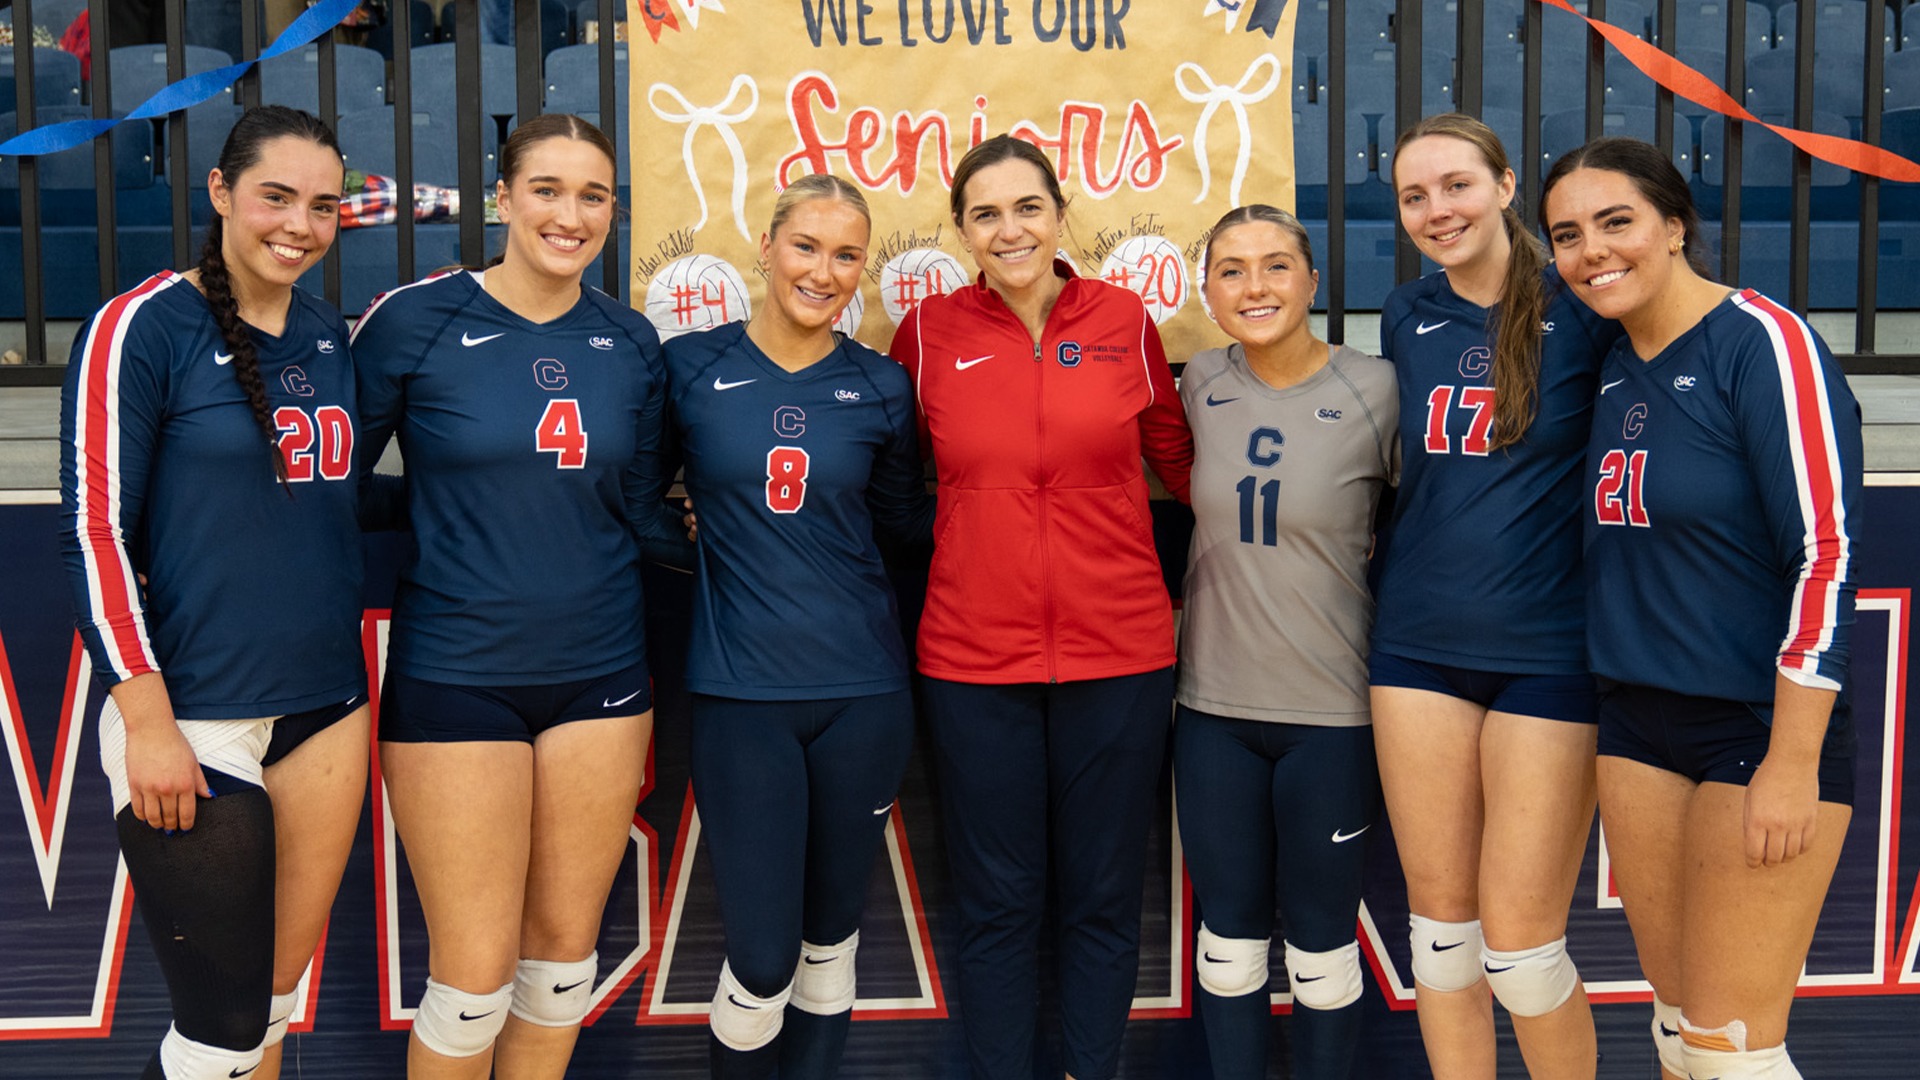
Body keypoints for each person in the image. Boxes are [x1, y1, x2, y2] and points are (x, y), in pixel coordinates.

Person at [350, 113, 680, 1080]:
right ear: (502, 197)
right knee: (470, 983)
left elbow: (637, 506)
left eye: (592, 196)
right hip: (458, 675)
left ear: (614, 211)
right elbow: (332, 485)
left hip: (602, 676)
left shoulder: (631, 340)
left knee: (561, 973)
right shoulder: (416, 318)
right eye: (546, 189)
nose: (568, 214)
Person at [1542, 137, 1861, 1080]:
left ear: (1675, 227)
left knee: (1733, 1053)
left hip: (1756, 728)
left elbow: (1827, 552)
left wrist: (1793, 759)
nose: (1593, 251)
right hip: (1639, 721)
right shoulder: (1604, 358)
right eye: (1567, 234)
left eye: (1616, 222)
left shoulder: (1762, 339)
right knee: (1680, 1033)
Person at [59, 105, 367, 1080]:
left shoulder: (327, 330)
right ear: (221, 191)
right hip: (193, 721)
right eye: (277, 196)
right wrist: (147, 722)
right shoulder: (140, 325)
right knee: (217, 1036)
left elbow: (329, 498)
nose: (300, 224)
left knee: (272, 1012)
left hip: (326, 703)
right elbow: (95, 532)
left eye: (323, 206)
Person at [888, 133, 1194, 1080]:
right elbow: (883, 473)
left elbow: (1182, 463)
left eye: (1028, 207)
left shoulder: (1125, 318)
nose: (1010, 228)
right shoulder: (929, 332)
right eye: (986, 213)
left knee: (1102, 897)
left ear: (1060, 214)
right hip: (975, 663)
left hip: (1122, 655)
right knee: (996, 901)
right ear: (962, 230)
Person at [662, 173, 934, 1079]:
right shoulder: (692, 368)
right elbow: (633, 498)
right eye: (807, 246)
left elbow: (902, 528)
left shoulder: (884, 387)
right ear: (768, 248)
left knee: (831, 941)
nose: (824, 270)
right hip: (744, 696)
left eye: (846, 254)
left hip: (863, 691)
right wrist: (693, 531)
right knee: (765, 953)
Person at [1372, 112, 1619, 1080]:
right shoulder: (1407, 313)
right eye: (1415, 195)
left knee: (1521, 955)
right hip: (1417, 648)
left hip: (1548, 656)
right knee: (1442, 945)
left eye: (1458, 185)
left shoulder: (1588, 307)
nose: (1439, 210)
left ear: (1508, 186)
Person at [1174, 205, 1396, 1079]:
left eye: (1275, 266)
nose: (1254, 286)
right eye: (1231, 269)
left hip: (1331, 715)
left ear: (1312, 280)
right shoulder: (1197, 379)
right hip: (1212, 712)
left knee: (1320, 951)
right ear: (1207, 291)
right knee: (1226, 947)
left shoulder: (1377, 387)